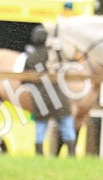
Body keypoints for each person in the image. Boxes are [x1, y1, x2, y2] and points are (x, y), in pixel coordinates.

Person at [22, 25, 75, 156]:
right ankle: (72, 153)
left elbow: (24, 80)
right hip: (57, 95)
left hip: (40, 98)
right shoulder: (55, 54)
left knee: (40, 128)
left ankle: (39, 154)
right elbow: (66, 70)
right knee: (66, 125)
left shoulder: (30, 58)